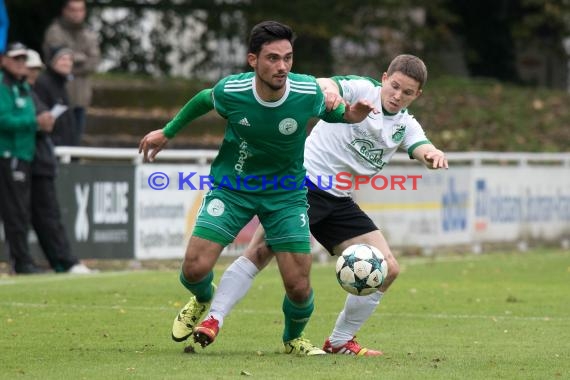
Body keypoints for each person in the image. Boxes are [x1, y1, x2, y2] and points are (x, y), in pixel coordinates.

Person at [138, 21, 375, 356]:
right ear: (253, 60)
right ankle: (204, 298)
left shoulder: (306, 92)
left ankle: (293, 339)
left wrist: (354, 114)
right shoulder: (233, 91)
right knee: (194, 269)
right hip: (233, 187)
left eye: (288, 58)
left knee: (298, 285)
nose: (282, 67)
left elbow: (339, 114)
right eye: (273, 58)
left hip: (286, 194)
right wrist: (168, 131)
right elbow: (204, 99)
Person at [192, 54, 449, 356]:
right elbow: (325, 83)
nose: (397, 96)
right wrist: (329, 91)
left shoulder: (405, 125)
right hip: (301, 186)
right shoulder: (362, 90)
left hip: (339, 200)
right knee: (261, 251)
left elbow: (422, 146)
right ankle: (213, 319)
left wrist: (432, 155)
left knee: (388, 268)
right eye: (394, 86)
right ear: (384, 78)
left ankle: (340, 340)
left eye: (407, 93)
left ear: (417, 95)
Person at [25, 48, 94, 274]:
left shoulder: (46, 87)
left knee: (46, 213)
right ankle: (59, 261)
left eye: (35, 69)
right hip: (33, 157)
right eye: (29, 69)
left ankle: (61, 261)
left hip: (42, 156)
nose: (32, 74)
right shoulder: (39, 86)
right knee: (41, 214)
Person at [0, 42, 50, 274]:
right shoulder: (3, 84)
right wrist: (35, 123)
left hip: (23, 154)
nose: (22, 64)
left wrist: (42, 122)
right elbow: (4, 119)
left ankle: (23, 260)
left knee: (20, 211)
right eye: (16, 59)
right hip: (8, 154)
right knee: (14, 211)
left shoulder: (21, 86)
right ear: (4, 61)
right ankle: (21, 262)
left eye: (23, 59)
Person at [42, 0, 100, 146]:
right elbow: (55, 59)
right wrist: (80, 58)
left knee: (76, 141)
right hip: (58, 98)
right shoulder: (54, 31)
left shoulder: (89, 32)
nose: (77, 14)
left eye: (80, 10)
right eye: (73, 10)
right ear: (65, 10)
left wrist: (72, 59)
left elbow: (94, 61)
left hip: (81, 97)